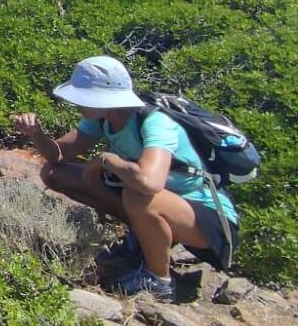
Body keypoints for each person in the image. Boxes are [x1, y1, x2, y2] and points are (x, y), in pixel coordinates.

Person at [13, 56, 238, 302]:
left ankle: (159, 280)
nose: (76, 103)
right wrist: (36, 133)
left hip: (208, 220)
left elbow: (150, 183)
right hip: (165, 204)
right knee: (55, 174)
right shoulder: (102, 118)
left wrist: (107, 161)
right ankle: (142, 237)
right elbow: (57, 156)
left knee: (138, 195)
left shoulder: (155, 122)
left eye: (84, 96)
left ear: (105, 99)